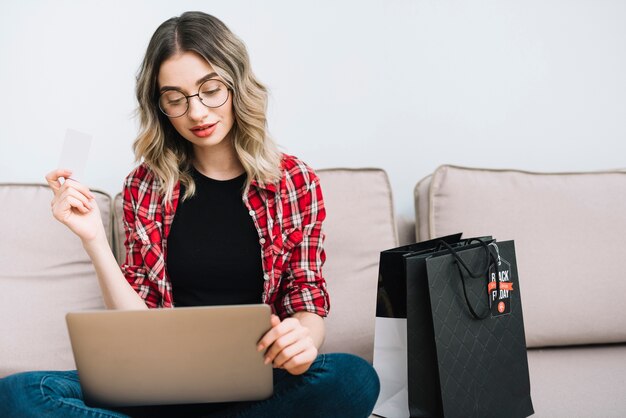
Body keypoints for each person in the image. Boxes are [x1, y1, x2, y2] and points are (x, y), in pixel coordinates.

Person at [0, 11, 380, 418]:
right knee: (20, 394)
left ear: (237, 85)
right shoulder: (144, 186)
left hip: (256, 383)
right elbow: (138, 328)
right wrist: (93, 239)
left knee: (354, 377)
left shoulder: (293, 180)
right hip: (158, 385)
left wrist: (303, 339)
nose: (197, 113)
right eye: (175, 98)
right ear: (160, 105)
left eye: (210, 89)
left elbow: (307, 294)